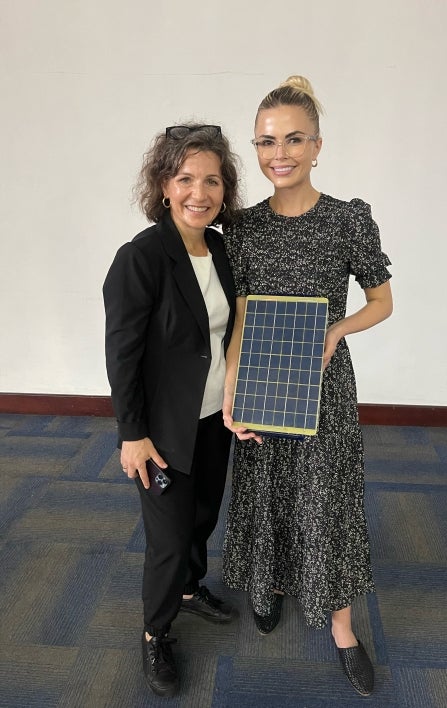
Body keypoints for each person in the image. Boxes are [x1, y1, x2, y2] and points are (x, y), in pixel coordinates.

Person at [222, 76, 393, 697]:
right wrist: (232, 387)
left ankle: (343, 627)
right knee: (265, 485)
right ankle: (267, 583)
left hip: (324, 383)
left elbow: (382, 302)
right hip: (263, 379)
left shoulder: (348, 220)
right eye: (267, 142)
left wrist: (333, 332)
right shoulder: (241, 228)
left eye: (294, 139)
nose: (280, 153)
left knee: (328, 497)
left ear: (318, 145)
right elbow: (241, 314)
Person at [103, 123, 242, 698]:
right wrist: (132, 434)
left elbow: (228, 332)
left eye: (211, 180)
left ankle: (190, 588)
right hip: (160, 430)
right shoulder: (141, 257)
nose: (198, 192)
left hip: (213, 418)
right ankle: (156, 632)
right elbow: (122, 354)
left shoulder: (221, 248)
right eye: (185, 178)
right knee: (166, 535)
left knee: (204, 513)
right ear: (164, 185)